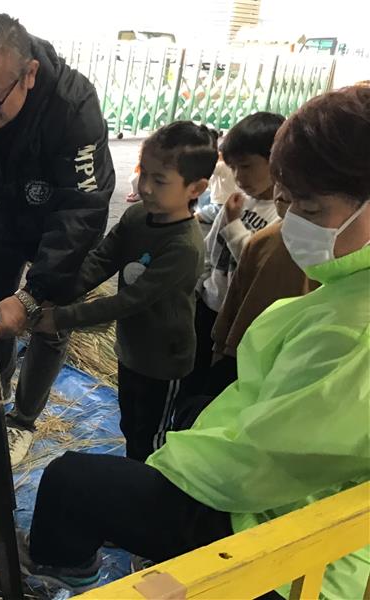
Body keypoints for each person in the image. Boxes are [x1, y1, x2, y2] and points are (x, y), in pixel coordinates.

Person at [19, 86, 370, 599]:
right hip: (256, 482)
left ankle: (65, 579)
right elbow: (102, 262)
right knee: (137, 428)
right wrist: (36, 295)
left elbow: (269, 461)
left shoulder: (354, 329)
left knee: (82, 475)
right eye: (288, 202)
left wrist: (167, 470)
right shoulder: (347, 286)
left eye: (311, 208)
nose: (293, 221)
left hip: (280, 526)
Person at [0, 14, 115, 466]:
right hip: (2, 217)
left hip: (63, 224)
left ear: (29, 75)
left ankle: (24, 420)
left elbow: (81, 209)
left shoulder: (72, 105)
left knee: (48, 320)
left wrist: (33, 295)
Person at [34, 122, 216, 462]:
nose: (144, 187)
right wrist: (54, 294)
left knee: (152, 437)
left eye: (159, 180)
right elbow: (101, 260)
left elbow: (128, 302)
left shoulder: (184, 246)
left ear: (196, 188)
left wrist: (58, 318)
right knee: (130, 423)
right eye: (142, 172)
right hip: (131, 348)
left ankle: (146, 481)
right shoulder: (136, 216)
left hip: (164, 360)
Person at [186, 111, 285, 395]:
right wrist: (198, 287)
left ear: (276, 160)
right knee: (191, 378)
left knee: (218, 387)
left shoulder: (280, 214)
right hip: (209, 302)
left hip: (240, 317)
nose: (239, 177)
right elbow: (211, 248)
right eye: (233, 168)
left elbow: (256, 262)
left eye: (247, 166)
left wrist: (233, 225)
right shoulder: (237, 201)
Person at [207, 185, 318, 394]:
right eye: (280, 183)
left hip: (288, 366)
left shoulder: (328, 251)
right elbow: (234, 301)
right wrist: (221, 348)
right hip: (241, 354)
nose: (282, 195)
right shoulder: (263, 239)